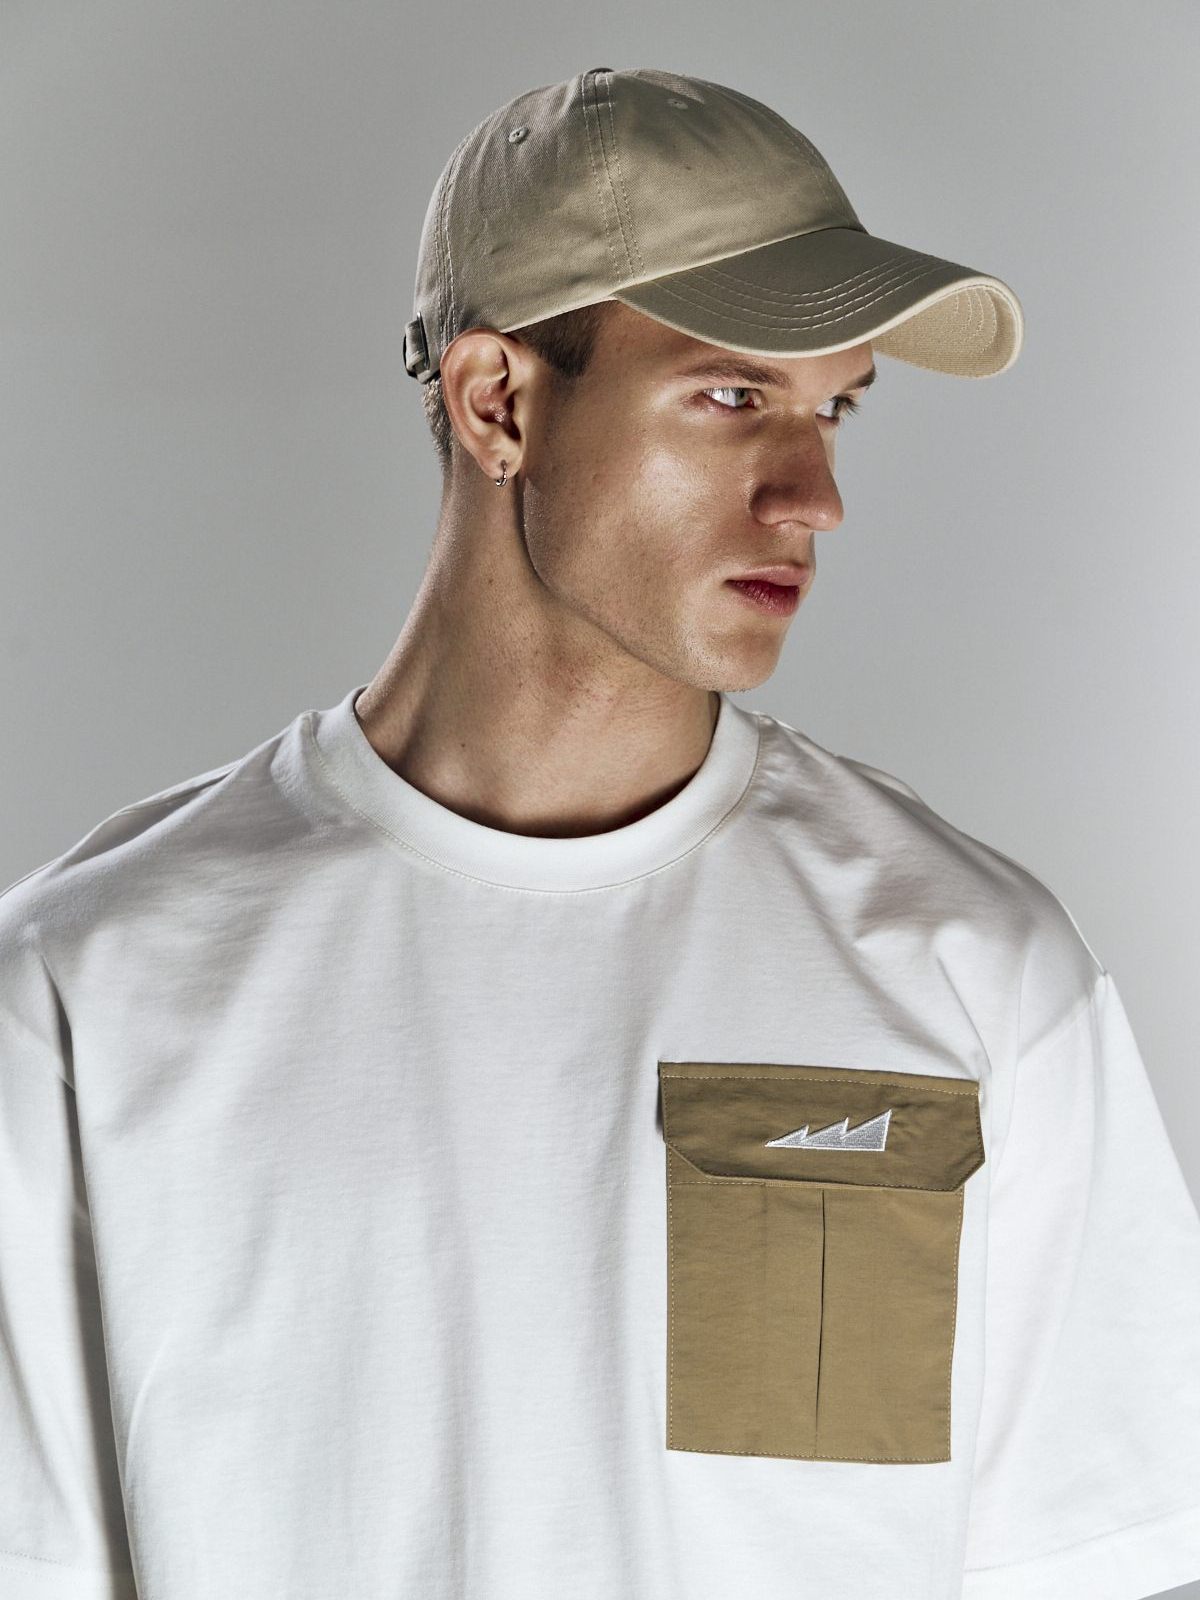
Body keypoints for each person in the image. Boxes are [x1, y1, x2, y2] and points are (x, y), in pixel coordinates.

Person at [2, 64, 1198, 1600]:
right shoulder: (92, 990)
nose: (815, 493)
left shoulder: (975, 971)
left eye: (835, 407)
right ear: (496, 402)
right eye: (733, 397)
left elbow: (1087, 1563)